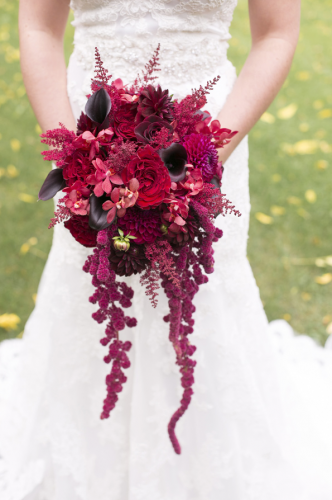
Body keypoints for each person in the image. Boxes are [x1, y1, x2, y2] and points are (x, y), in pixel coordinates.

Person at [1, 0, 332, 499]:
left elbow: (277, 34)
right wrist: (79, 159)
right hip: (90, 133)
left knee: (200, 299)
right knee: (90, 285)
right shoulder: (82, 154)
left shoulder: (206, 153)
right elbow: (37, 27)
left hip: (211, 138)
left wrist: (201, 163)